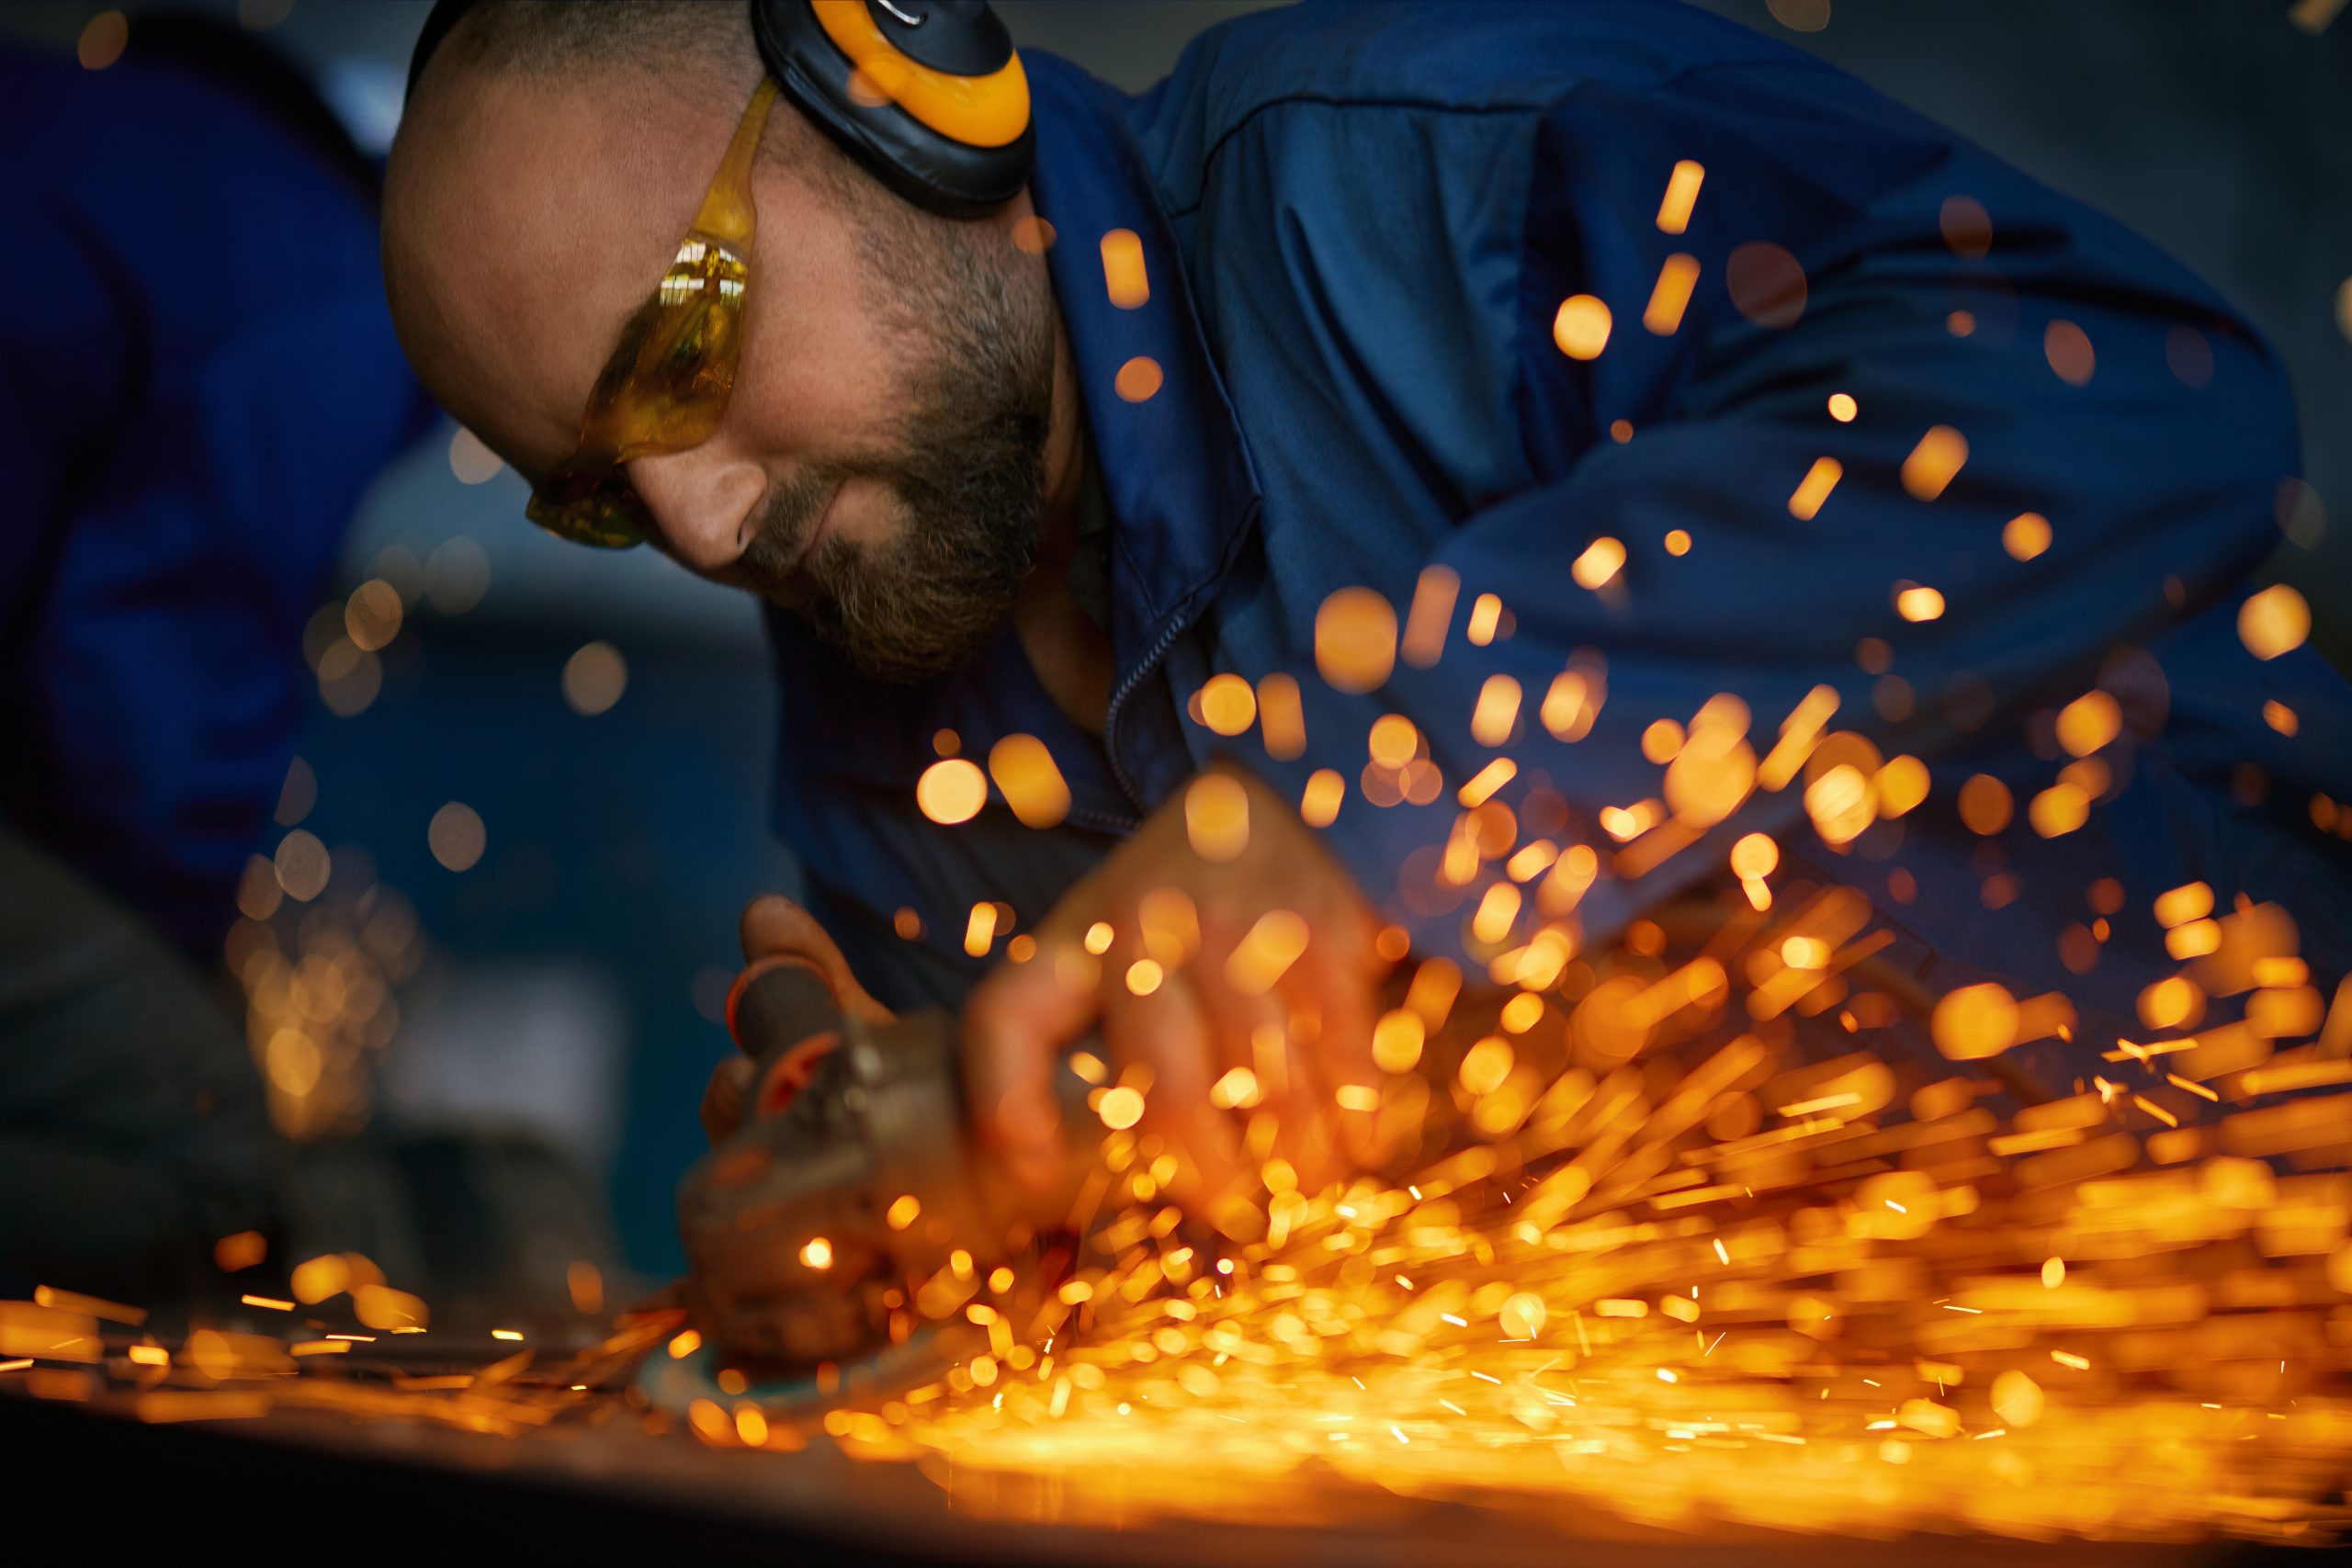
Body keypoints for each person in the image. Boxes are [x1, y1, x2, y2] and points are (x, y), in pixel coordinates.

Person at [384, 1, 2352, 1218]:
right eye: (589, 489)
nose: (700, 519)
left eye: (681, 349)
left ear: (901, 72)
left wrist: (1363, 814)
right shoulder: (877, 697)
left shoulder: (1430, 180)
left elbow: (2123, 389)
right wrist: (906, 1180)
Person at [0, 15, 430, 1295]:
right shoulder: (337, 289)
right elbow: (158, 697)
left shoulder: (124, 150)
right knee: (210, 1156)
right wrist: (185, 955)